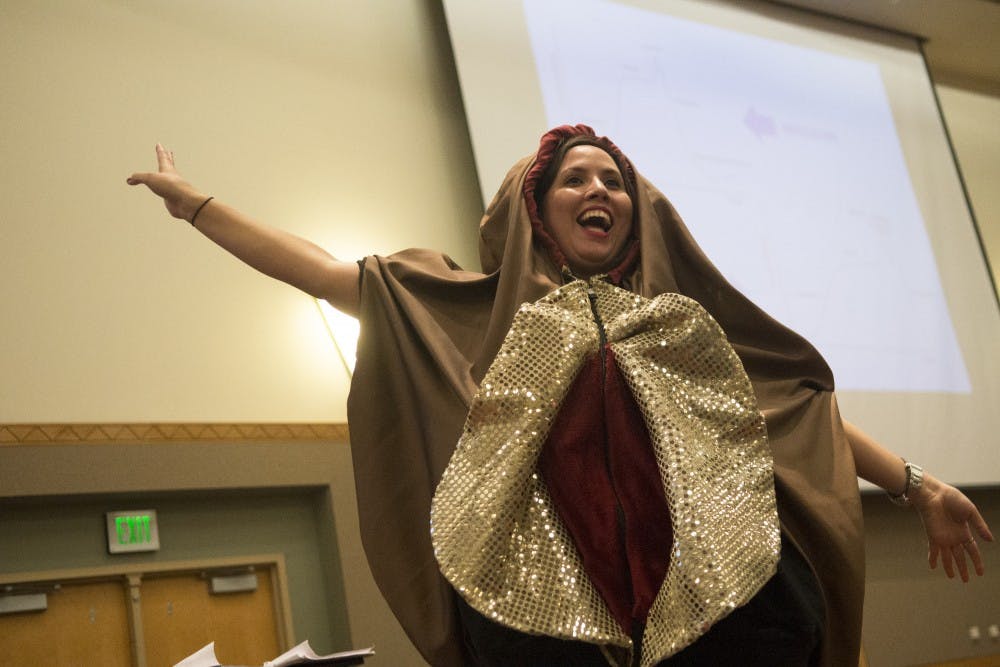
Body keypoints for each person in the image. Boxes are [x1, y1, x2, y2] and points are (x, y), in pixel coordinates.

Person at [128, 125, 992, 667]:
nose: (600, 191)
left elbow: (799, 415)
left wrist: (919, 485)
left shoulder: (684, 324)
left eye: (614, 180)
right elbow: (320, 269)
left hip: (728, 614)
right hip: (543, 624)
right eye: (577, 178)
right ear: (537, 209)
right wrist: (198, 206)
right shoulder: (469, 313)